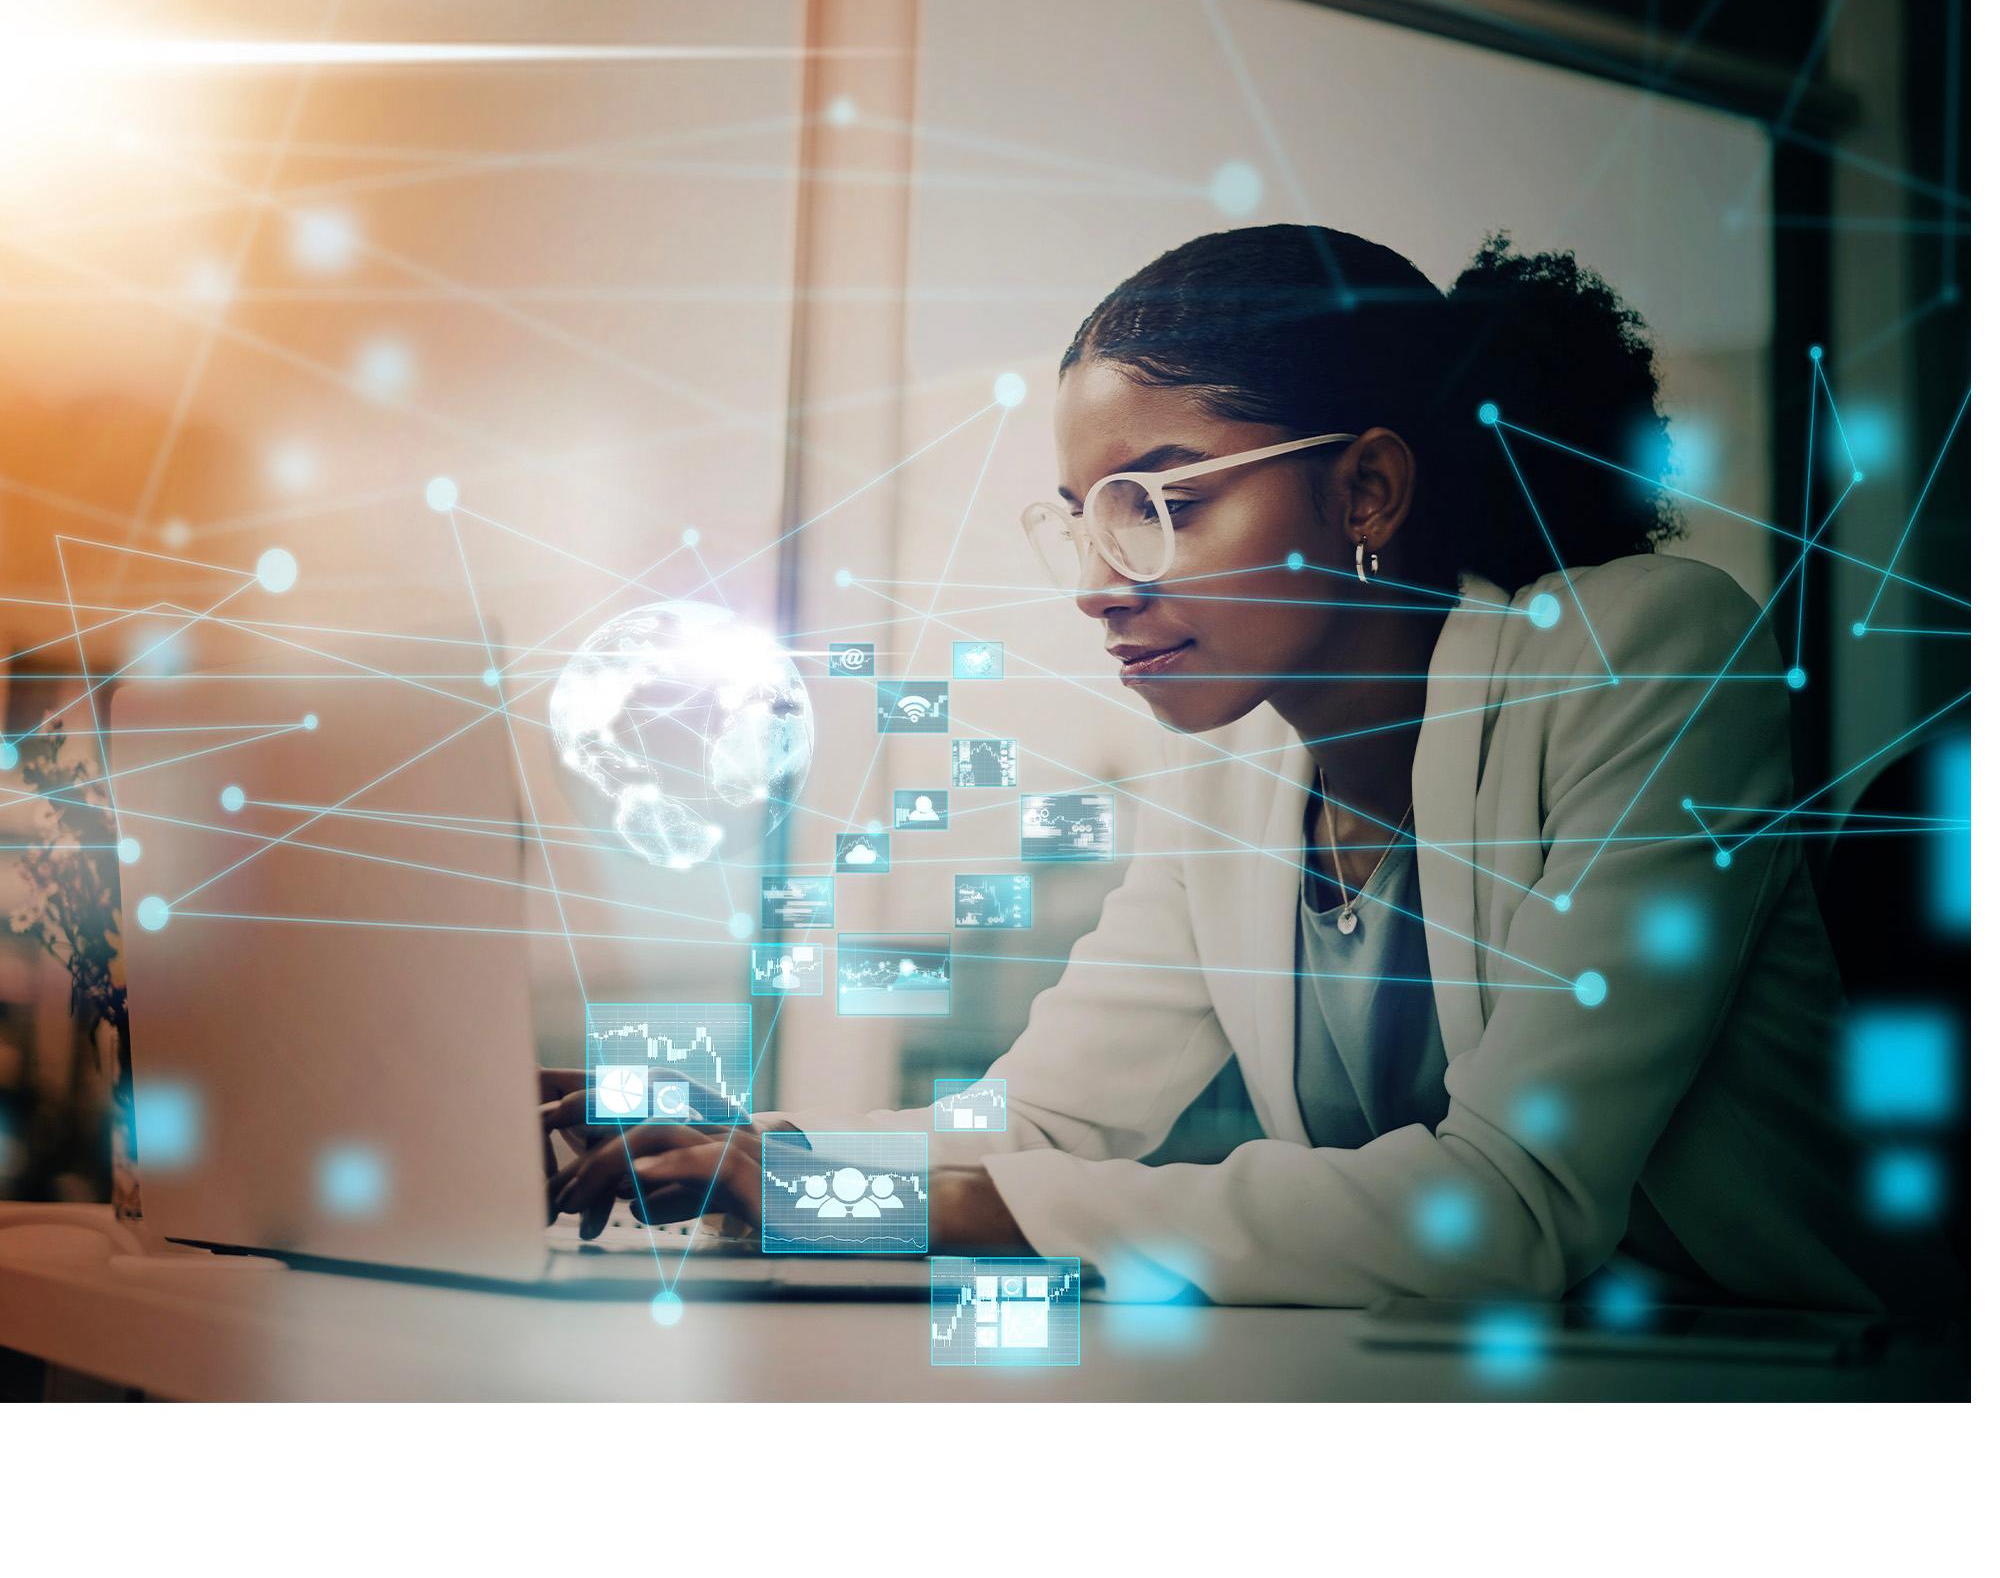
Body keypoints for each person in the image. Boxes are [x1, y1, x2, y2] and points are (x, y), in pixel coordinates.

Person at [545, 225, 1957, 1312]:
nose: (1102, 582)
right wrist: (760, 1153)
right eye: (1081, 521)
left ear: (1367, 491)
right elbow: (1038, 1119)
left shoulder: (1648, 651)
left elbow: (1513, 1203)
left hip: (1754, 1386)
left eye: (1161, 503)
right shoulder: (1232, 774)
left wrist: (914, 1204)